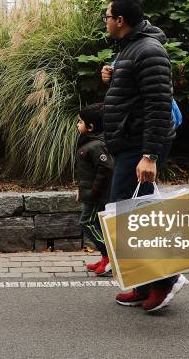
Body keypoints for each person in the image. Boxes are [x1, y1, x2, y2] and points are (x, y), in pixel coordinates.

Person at [101, 0, 186, 312]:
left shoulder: (149, 50)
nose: (105, 22)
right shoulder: (130, 49)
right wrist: (112, 76)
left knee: (135, 215)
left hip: (141, 145)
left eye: (107, 17)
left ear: (120, 20)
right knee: (130, 212)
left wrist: (149, 155)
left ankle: (167, 281)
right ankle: (143, 284)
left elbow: (158, 105)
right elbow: (134, 96)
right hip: (130, 143)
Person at [75, 103, 114, 276]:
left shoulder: (96, 146)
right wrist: (81, 189)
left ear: (91, 127)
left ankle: (110, 256)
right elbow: (87, 173)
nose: (78, 124)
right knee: (97, 223)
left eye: (80, 122)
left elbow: (105, 169)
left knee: (86, 223)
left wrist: (92, 192)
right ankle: (106, 256)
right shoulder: (89, 142)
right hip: (91, 192)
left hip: (97, 195)